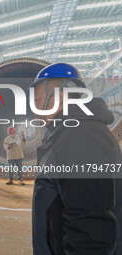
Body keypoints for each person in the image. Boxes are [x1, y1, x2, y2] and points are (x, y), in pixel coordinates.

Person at [31, 63, 121, 254]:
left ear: (60, 96)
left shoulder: (81, 136)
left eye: (38, 101)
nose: (36, 109)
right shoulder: (69, 133)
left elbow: (90, 229)